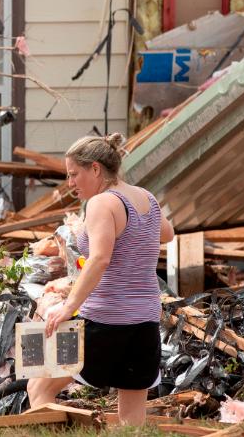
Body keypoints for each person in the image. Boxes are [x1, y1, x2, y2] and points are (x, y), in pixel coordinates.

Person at [25, 133, 175, 425]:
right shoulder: (147, 198)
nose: (70, 184)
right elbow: (167, 233)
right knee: (131, 418)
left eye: (73, 174)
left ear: (95, 169)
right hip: (144, 323)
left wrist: (68, 306)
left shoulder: (101, 203)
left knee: (39, 386)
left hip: (103, 323)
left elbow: (99, 259)